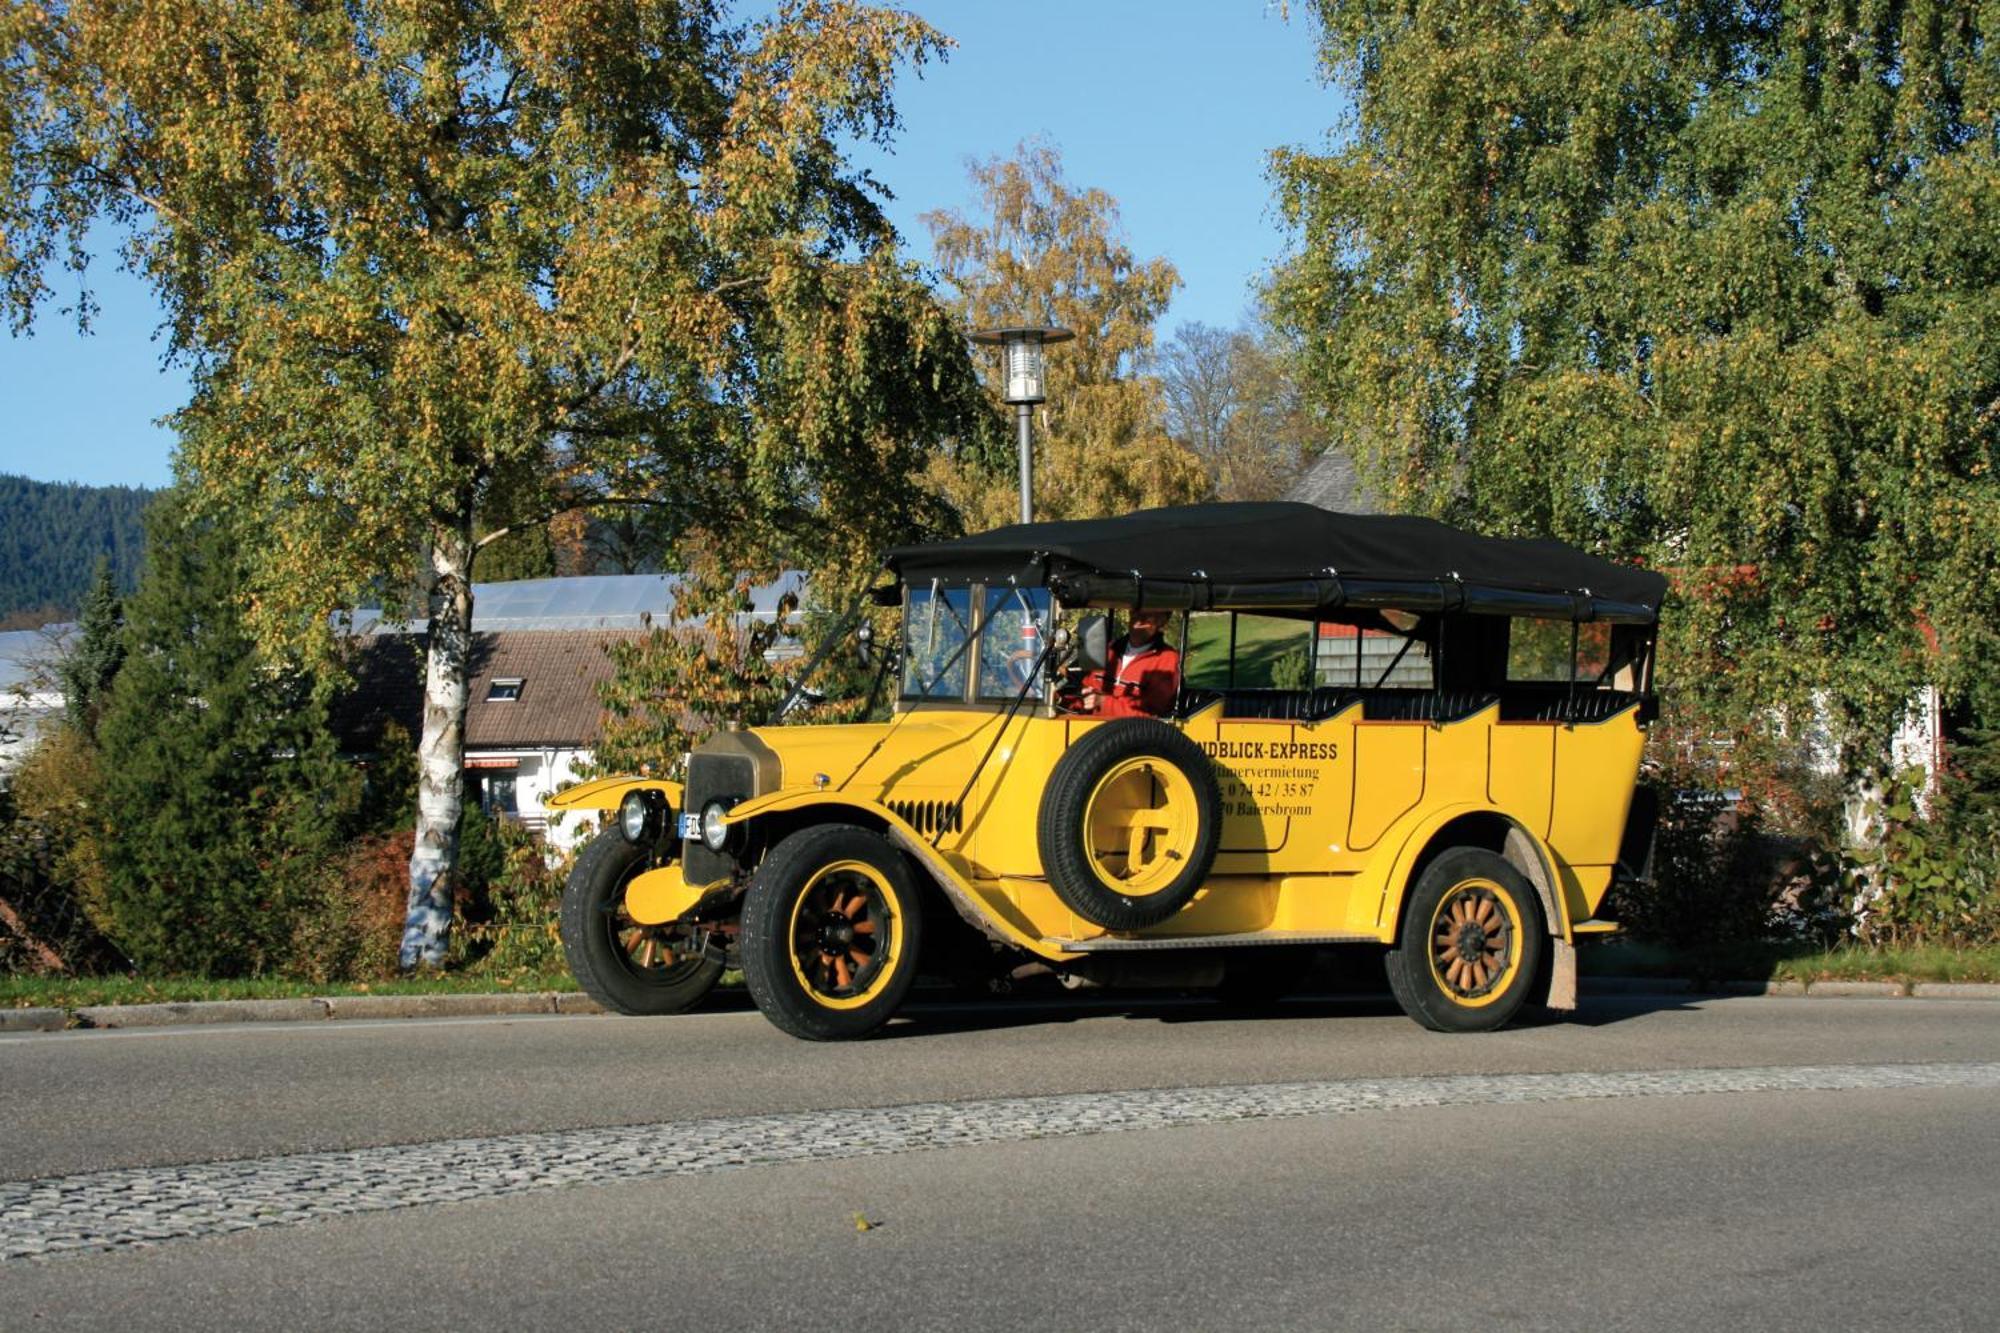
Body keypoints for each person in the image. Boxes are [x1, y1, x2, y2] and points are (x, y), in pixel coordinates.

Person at [1074, 609, 1181, 717]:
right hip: (1090, 728)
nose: (1138, 616)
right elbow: (1085, 695)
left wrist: (1104, 703)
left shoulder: (1167, 660)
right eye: (1135, 610)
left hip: (1131, 732)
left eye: (1148, 614)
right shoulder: (1109, 650)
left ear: (1162, 620)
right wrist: (1060, 700)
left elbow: (1151, 716)